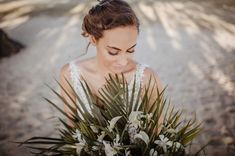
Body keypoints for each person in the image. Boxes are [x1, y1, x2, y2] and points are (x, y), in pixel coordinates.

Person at [59, 0, 163, 126]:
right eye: (113, 52)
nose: (123, 61)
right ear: (93, 39)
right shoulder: (69, 75)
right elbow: (72, 128)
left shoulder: (147, 78)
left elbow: (157, 130)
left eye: (131, 50)